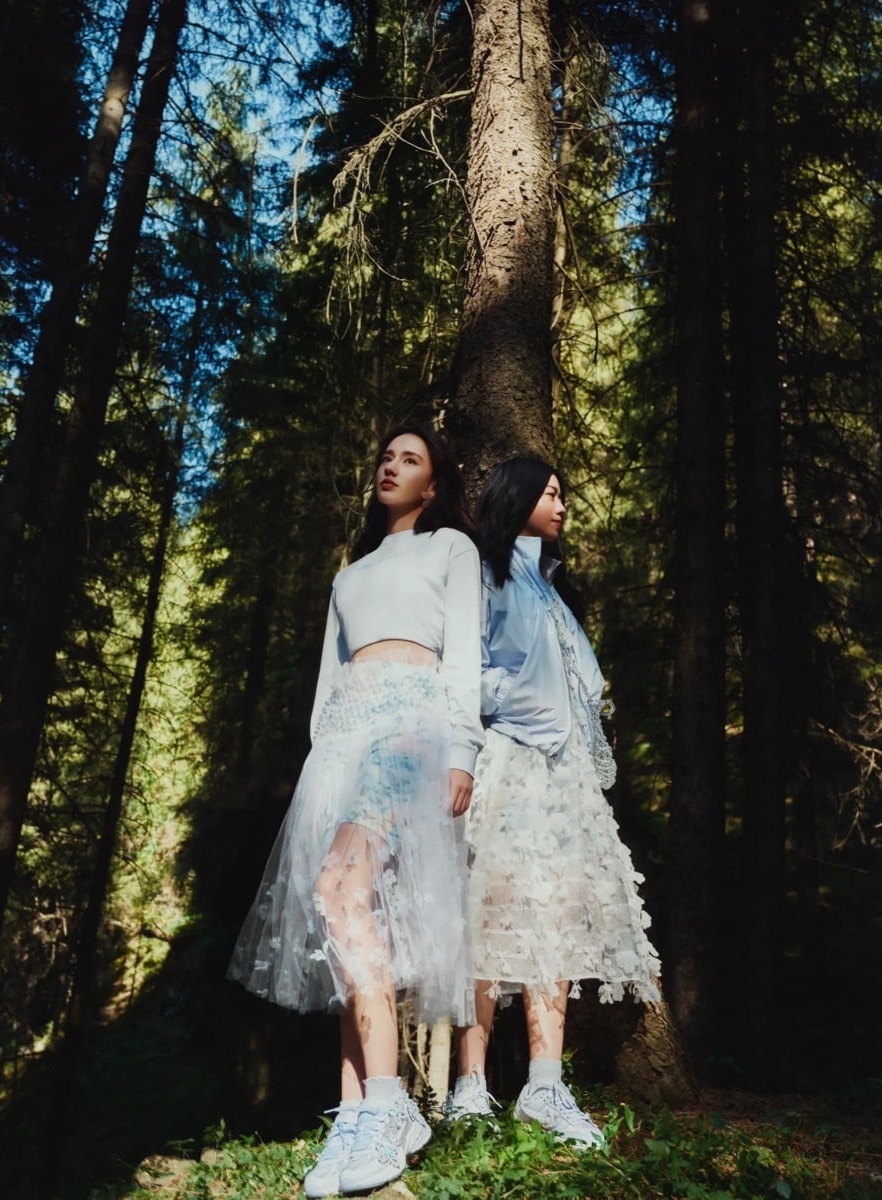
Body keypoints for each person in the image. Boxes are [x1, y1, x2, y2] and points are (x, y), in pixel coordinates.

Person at [228, 424, 483, 1197]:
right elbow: (327, 685)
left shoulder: (451, 549)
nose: (391, 466)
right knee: (347, 914)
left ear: (433, 484)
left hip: (411, 727)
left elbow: (464, 656)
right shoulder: (351, 575)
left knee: (341, 892)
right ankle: (354, 1109)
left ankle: (389, 1103)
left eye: (411, 459)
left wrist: (462, 751)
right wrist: (322, 764)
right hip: (342, 740)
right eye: (386, 456)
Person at [446, 455, 661, 1149]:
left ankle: (545, 1085)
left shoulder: (553, 591)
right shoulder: (486, 575)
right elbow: (465, 669)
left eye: (562, 493)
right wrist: (514, 707)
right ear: (517, 498)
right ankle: (469, 1085)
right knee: (487, 919)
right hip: (508, 764)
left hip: (565, 782)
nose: (562, 505)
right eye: (550, 493)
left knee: (558, 925)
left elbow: (581, 687)